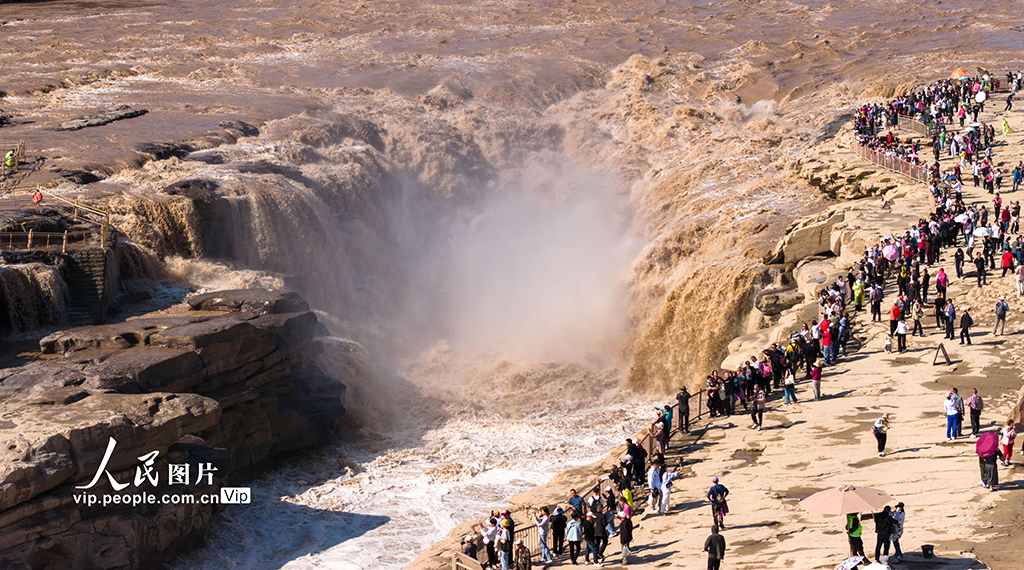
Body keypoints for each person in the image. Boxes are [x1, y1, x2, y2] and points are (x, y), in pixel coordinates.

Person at [616, 497, 633, 565]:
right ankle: (624, 559)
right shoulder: (626, 522)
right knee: (625, 548)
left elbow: (628, 516)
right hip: (626, 535)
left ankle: (625, 560)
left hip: (625, 537)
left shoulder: (627, 508)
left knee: (625, 548)